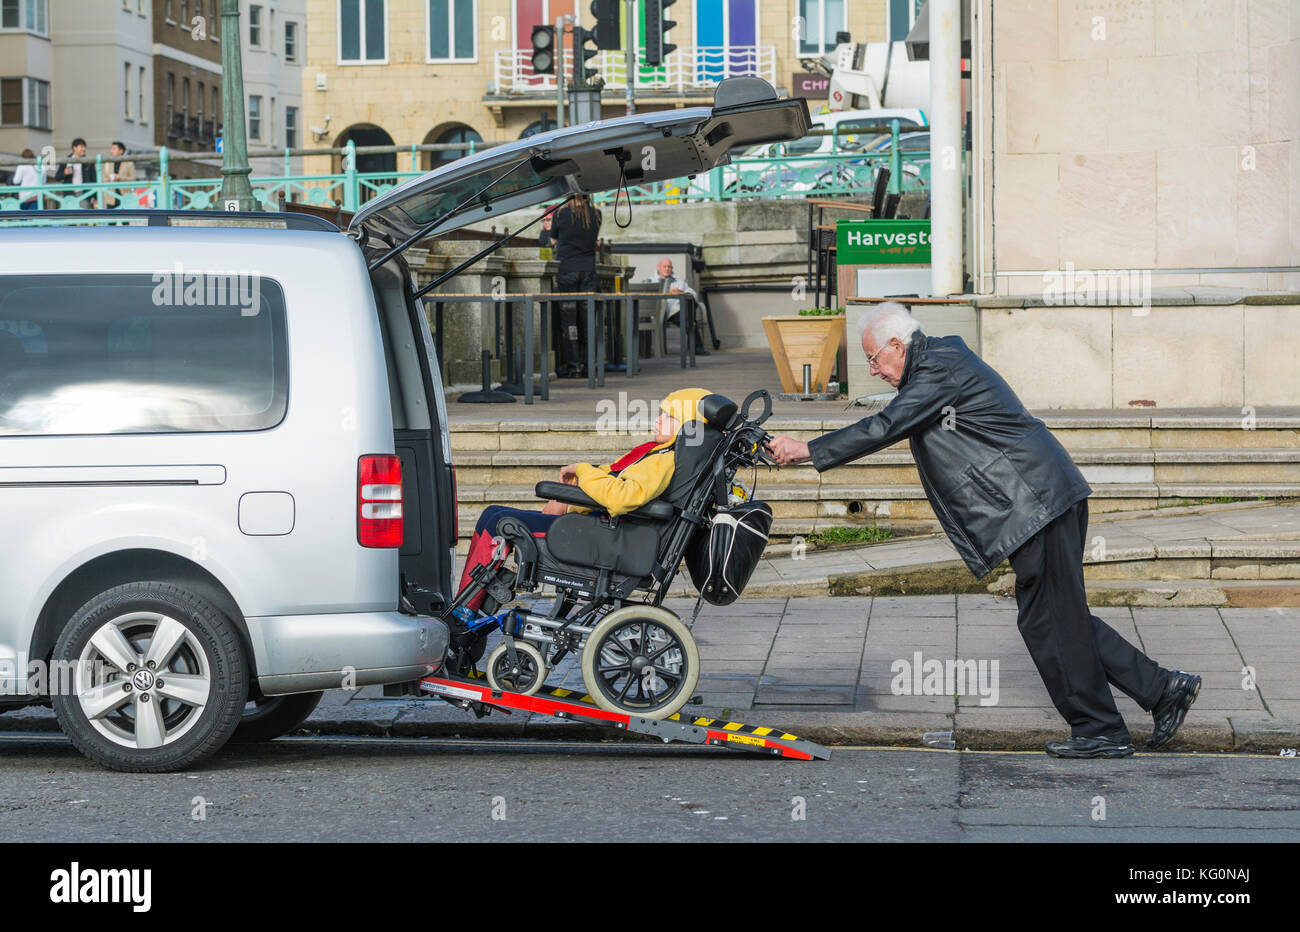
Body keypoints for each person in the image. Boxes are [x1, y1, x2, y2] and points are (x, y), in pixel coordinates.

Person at [766, 302, 1202, 759]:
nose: (873, 370)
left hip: (1037, 501)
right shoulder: (935, 366)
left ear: (897, 345)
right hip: (1036, 501)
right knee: (1052, 617)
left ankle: (1103, 728)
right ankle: (1160, 689)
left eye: (874, 358)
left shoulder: (939, 368)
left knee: (1054, 618)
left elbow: (887, 425)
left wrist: (808, 449)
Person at [457, 388, 710, 612]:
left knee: (499, 520)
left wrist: (582, 470)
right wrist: (570, 496)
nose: (657, 420)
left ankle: (464, 610)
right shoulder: (660, 454)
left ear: (688, 425)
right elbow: (613, 481)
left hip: (604, 538)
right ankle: (470, 600)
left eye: (668, 416)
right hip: (602, 530)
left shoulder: (664, 460)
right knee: (494, 514)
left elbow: (623, 497)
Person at [547, 194, 602, 378]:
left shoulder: (561, 214)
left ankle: (574, 366)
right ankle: (590, 366)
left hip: (567, 271)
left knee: (570, 322)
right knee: (588, 322)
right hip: (588, 271)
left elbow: (553, 239)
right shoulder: (597, 214)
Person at [645, 257, 708, 356]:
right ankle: (697, 347)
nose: (667, 269)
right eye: (664, 266)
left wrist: (680, 292)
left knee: (689, 302)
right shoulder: (650, 281)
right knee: (690, 319)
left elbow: (694, 295)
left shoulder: (679, 281)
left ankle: (690, 325)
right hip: (657, 312)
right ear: (658, 268)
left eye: (669, 267)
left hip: (675, 312)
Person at [57, 138, 97, 208]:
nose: (83, 149)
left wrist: (95, 196)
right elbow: (57, 177)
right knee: (70, 217)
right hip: (69, 194)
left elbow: (94, 179)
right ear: (74, 148)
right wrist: (64, 173)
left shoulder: (88, 161)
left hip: (85, 194)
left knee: (85, 216)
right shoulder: (66, 160)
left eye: (84, 147)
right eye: (81, 147)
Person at [101, 141, 137, 209]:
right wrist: (108, 179)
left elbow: (133, 178)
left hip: (124, 195)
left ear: (121, 151)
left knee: (125, 217)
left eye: (114, 148)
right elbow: (102, 178)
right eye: (111, 148)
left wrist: (120, 178)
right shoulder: (107, 162)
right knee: (111, 218)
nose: (111, 151)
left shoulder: (128, 162)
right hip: (110, 197)